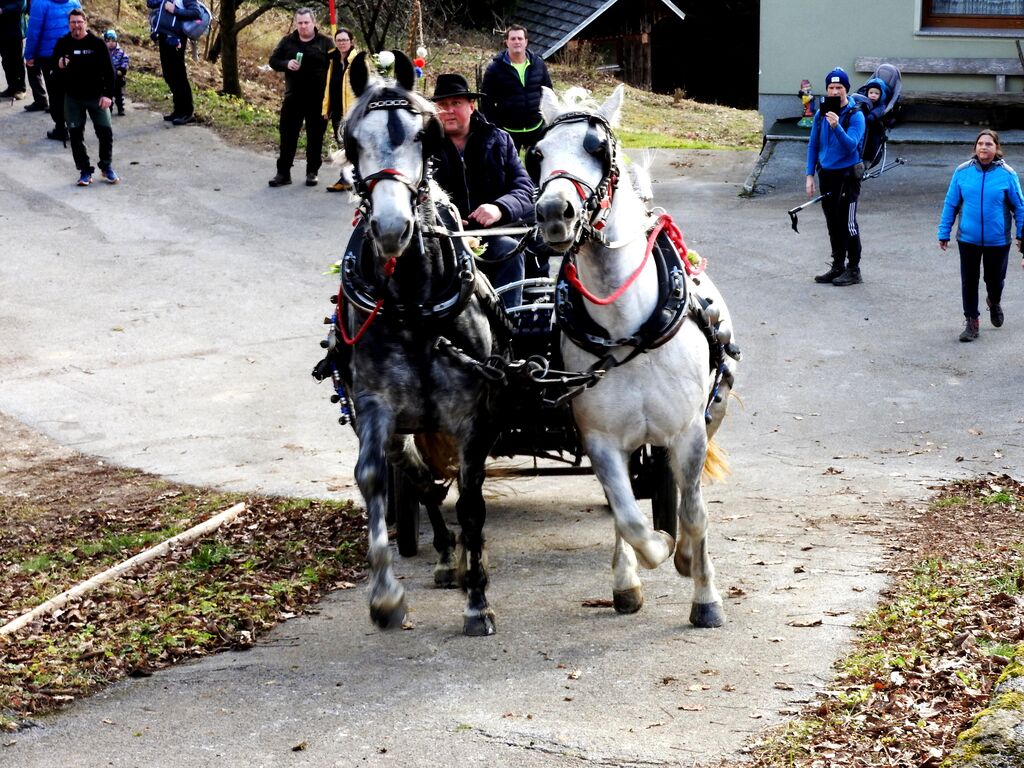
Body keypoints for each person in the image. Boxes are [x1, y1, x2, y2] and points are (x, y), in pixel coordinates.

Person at [430, 73, 534, 308]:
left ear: (471, 106)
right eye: (442, 105)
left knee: (510, 250)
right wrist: (444, 218)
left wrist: (499, 208)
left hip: (492, 236)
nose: (449, 111)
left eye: (456, 103)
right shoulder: (424, 146)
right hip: (442, 241)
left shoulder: (499, 140)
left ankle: (508, 321)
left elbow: (525, 188)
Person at [937, 129, 1024, 342]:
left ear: (997, 148)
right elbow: (951, 203)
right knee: (969, 280)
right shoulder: (962, 172)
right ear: (975, 147)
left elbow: (1020, 208)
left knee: (995, 280)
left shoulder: (1007, 174)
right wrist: (944, 231)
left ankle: (994, 301)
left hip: (998, 240)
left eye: (989, 144)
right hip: (968, 238)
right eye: (980, 143)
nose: (984, 147)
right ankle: (971, 321)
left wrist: (1022, 235)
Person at [805, 66, 866, 287]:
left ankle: (854, 269)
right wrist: (809, 174)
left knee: (848, 223)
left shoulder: (856, 115)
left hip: (848, 176)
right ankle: (838, 265)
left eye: (839, 87)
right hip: (827, 174)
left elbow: (851, 146)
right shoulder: (821, 114)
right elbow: (813, 144)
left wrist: (837, 126)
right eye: (831, 87)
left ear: (846, 89)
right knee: (832, 222)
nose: (835, 91)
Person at [267, 8, 331, 188]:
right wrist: (286, 63)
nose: (303, 26)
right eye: (300, 23)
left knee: (315, 137)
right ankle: (283, 173)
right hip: (293, 98)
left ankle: (312, 172)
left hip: (318, 99)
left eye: (306, 22)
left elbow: (336, 66)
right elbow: (273, 61)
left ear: (314, 23)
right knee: (287, 136)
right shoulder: (288, 41)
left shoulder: (325, 42)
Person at [52, 9, 116, 186]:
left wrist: (108, 95)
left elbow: (110, 72)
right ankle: (85, 170)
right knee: (75, 135)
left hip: (97, 97)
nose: (76, 26)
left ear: (85, 23)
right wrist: (58, 65)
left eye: (79, 22)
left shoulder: (97, 44)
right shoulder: (63, 43)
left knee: (105, 132)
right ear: (69, 25)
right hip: (73, 98)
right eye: (73, 22)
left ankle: (106, 166)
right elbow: (52, 69)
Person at [479, 24, 552, 151]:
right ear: (506, 42)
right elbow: (486, 100)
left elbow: (548, 92)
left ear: (526, 42)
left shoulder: (538, 64)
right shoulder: (495, 68)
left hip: (536, 128)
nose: (517, 42)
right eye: (513, 39)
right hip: (508, 131)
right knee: (508, 164)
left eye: (520, 38)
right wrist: (495, 126)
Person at [23, 0, 81, 140]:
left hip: (49, 56)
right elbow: (81, 27)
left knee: (55, 93)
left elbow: (33, 31)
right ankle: (75, 126)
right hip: (71, 53)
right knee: (70, 90)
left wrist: (29, 55)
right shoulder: (74, 1)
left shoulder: (39, 3)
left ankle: (61, 128)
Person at [147, 0, 201, 125]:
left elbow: (195, 13)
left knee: (179, 75)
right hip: (164, 35)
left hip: (177, 38)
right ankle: (178, 110)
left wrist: (175, 10)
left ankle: (187, 112)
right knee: (169, 75)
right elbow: (150, 3)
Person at [323, 26, 356, 193]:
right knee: (342, 146)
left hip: (352, 113)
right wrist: (326, 109)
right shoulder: (333, 60)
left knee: (353, 147)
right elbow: (329, 87)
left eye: (345, 40)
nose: (342, 43)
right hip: (336, 112)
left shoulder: (357, 61)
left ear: (351, 41)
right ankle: (346, 179)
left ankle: (354, 178)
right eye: (339, 40)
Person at [0, 0, 27, 99]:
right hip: (2, 30)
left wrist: (3, 10)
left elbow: (21, 6)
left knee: (17, 60)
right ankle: (11, 87)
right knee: (6, 61)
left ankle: (21, 89)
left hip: (15, 29)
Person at [103, 29, 128, 116]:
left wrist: (122, 69)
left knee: (118, 95)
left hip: (117, 76)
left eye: (113, 41)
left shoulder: (120, 52)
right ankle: (108, 110)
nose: (111, 43)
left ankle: (121, 109)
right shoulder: (103, 52)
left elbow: (125, 60)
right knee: (108, 94)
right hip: (107, 77)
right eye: (108, 41)